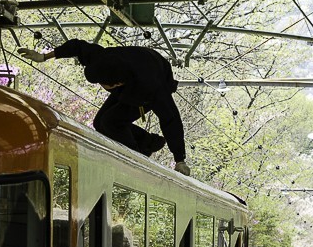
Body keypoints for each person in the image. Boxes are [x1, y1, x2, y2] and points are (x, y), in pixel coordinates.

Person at [19, 37, 191, 176]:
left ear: (117, 84)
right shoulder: (99, 58)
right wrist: (44, 57)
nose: (103, 87)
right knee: (99, 123)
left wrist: (179, 159)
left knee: (110, 122)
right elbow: (77, 45)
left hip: (152, 78)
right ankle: (148, 141)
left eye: (105, 85)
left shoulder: (151, 88)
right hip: (134, 65)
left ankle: (137, 155)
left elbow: (171, 118)